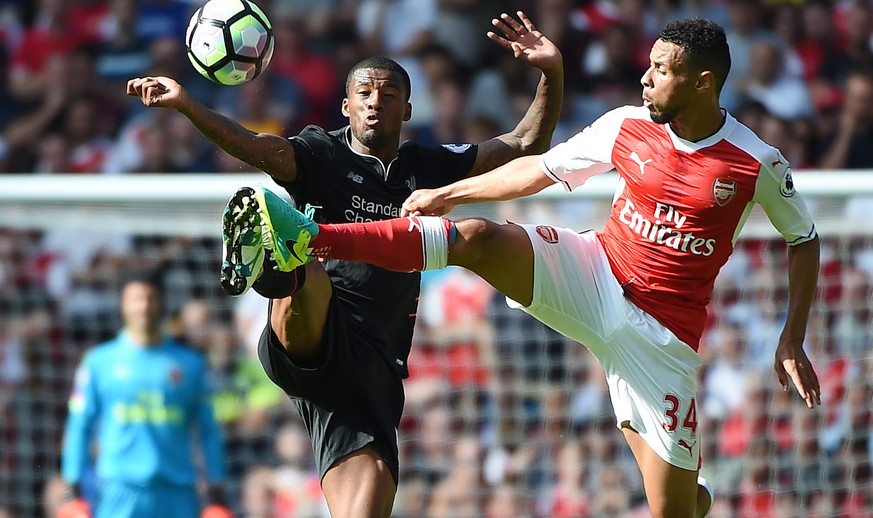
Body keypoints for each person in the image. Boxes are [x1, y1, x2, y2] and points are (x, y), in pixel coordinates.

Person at [233, 18, 823, 518]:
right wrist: (453, 194)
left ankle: (693, 496)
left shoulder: (755, 162)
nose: (645, 77)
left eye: (662, 69)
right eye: (648, 64)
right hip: (595, 273)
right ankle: (312, 237)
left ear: (703, 81)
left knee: (675, 509)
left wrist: (791, 337)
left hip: (662, 335)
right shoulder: (626, 125)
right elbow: (536, 168)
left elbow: (804, 238)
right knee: (475, 239)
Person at [126, 10, 563, 517]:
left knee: (374, 490)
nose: (376, 103)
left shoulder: (428, 167)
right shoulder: (320, 154)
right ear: (346, 105)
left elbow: (525, 144)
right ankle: (274, 258)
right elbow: (257, 148)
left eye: (388, 95)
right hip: (315, 330)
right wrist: (187, 105)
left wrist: (551, 71)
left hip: (373, 361)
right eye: (365, 94)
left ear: (406, 109)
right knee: (310, 264)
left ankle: (281, 249)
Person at [58, 270, 230, 518]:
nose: (143, 307)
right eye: (135, 299)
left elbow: (208, 429)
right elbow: (79, 425)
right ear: (123, 304)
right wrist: (72, 487)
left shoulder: (190, 364)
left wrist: (217, 489)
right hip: (118, 491)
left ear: (162, 302)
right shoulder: (99, 362)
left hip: (177, 492)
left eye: (150, 298)